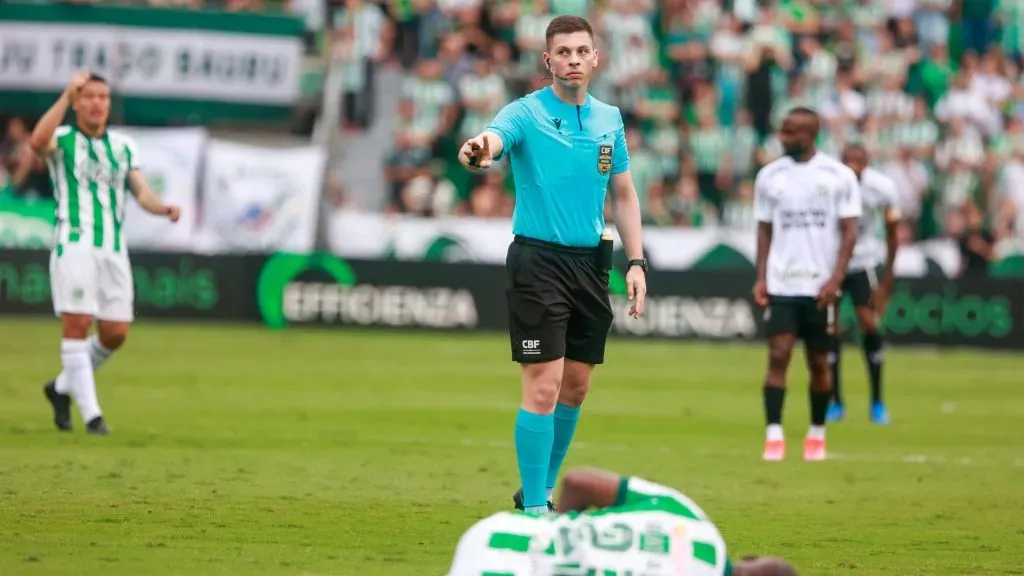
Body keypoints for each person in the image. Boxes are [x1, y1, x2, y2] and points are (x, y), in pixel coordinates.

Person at [456, 15, 648, 513]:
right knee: (543, 385)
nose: (574, 60)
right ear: (548, 60)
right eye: (563, 52)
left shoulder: (610, 119)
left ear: (596, 58)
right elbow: (492, 141)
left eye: (582, 51)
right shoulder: (526, 113)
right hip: (537, 261)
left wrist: (637, 262)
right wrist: (478, 150)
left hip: (590, 263)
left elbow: (624, 195)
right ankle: (538, 509)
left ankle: (540, 485)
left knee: (577, 387)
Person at [29, 72, 181, 435]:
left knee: (115, 332)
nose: (98, 103)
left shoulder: (123, 146)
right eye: (90, 97)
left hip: (113, 247)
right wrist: (65, 95)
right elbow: (37, 142)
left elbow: (140, 190)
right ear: (78, 103)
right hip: (75, 242)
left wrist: (162, 209)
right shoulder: (63, 140)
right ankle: (93, 416)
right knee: (78, 324)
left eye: (104, 97)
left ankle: (61, 388)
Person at [752, 107, 861, 462]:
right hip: (783, 283)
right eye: (782, 131)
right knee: (778, 354)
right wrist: (761, 276)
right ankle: (774, 434)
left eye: (790, 132)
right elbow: (765, 229)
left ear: (810, 134)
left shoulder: (838, 175)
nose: (783, 137)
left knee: (818, 363)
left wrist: (837, 278)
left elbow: (849, 232)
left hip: (821, 287)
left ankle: (816, 433)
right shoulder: (769, 176)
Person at [446, 466, 799, 576]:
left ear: (750, 557)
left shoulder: (689, 515)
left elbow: (578, 482)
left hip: (499, 533)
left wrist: (555, 528)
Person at [827, 144, 901, 425]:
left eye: (859, 161)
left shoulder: (882, 188)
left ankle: (877, 401)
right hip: (832, 263)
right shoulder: (828, 187)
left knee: (868, 322)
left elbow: (894, 233)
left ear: (867, 163)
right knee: (830, 327)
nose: (853, 166)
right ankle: (835, 402)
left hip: (863, 263)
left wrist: (888, 279)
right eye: (848, 161)